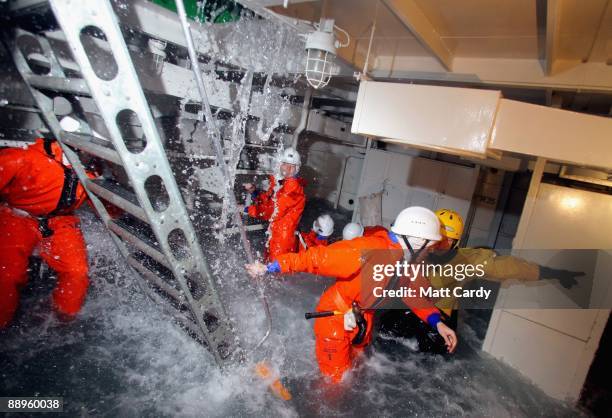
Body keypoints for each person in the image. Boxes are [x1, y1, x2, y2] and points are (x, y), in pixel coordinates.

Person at [246, 206, 458, 383]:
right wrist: (270, 267)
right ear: (416, 242)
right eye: (429, 246)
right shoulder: (369, 249)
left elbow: (413, 294)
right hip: (336, 317)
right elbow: (317, 258)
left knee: (357, 370)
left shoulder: (407, 261)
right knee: (336, 383)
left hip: (363, 318)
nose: (430, 251)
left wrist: (437, 322)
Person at [379, 208, 585, 353]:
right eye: (437, 239)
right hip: (410, 306)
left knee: (430, 357)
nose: (440, 245)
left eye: (447, 240)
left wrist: (556, 273)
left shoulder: (469, 261)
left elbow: (512, 267)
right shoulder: (413, 248)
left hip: (440, 315)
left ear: (456, 242)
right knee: (384, 335)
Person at [0, 135, 92, 328]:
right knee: (7, 275)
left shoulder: (91, 170)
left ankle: (61, 320)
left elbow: (107, 206)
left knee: (77, 272)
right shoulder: (23, 158)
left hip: (60, 221)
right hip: (17, 217)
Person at [244, 147, 306, 260]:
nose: (288, 168)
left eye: (292, 166)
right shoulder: (282, 183)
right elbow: (269, 201)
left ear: (297, 169)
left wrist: (247, 209)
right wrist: (255, 193)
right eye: (285, 164)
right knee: (270, 264)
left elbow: (272, 212)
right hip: (276, 232)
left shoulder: (292, 188)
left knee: (278, 268)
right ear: (280, 164)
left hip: (283, 238)